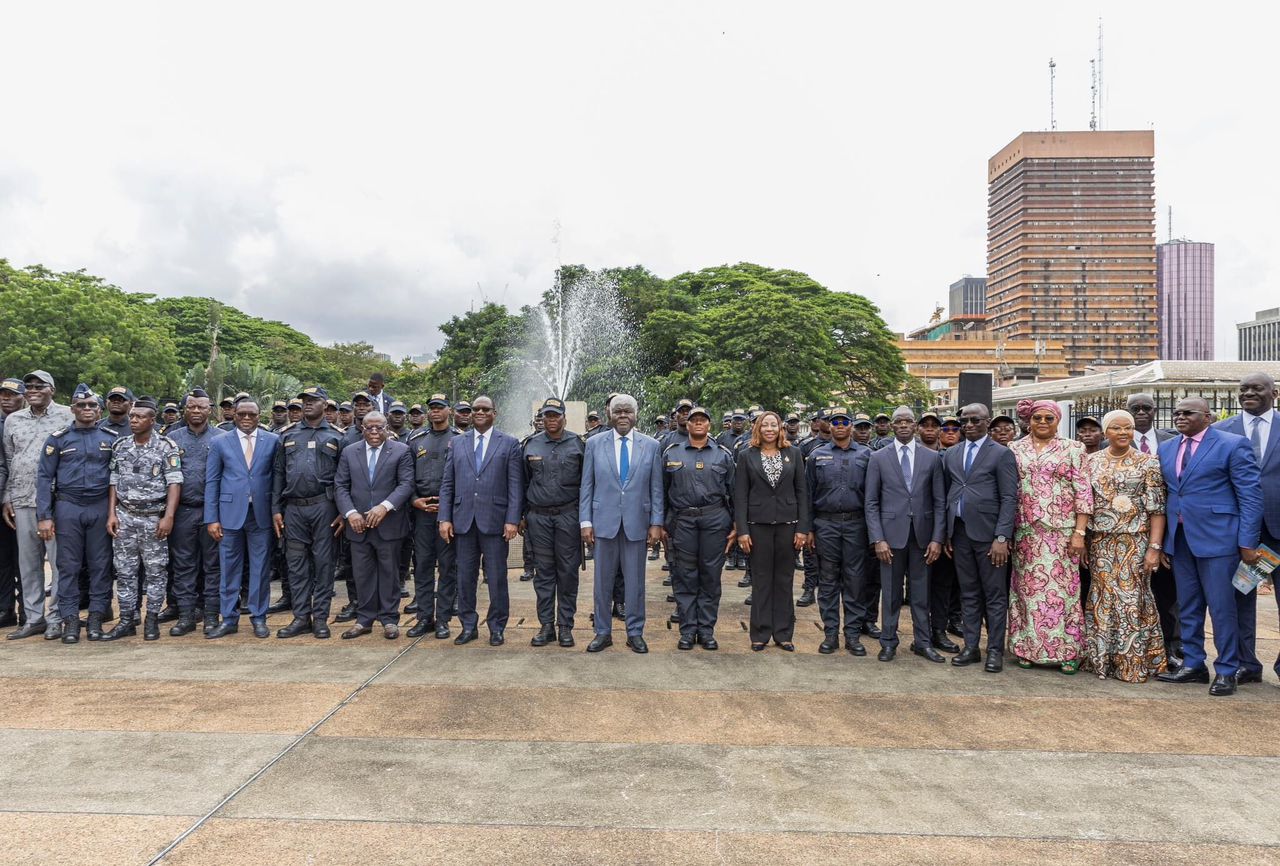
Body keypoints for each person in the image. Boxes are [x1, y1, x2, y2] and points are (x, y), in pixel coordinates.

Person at [1156, 397, 1263, 697]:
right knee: (1188, 607)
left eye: (1187, 413)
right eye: (1176, 413)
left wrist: (1247, 542)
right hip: (1180, 539)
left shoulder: (1232, 444)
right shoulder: (1167, 448)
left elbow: (1250, 497)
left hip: (1221, 539)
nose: (1180, 417)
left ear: (1208, 416)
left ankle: (1227, 670)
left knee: (1222, 608)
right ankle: (1194, 664)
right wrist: (1164, 541)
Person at [1007, 401, 1093, 673]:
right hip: (1026, 532)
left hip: (1061, 533)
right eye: (1037, 418)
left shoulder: (1073, 448)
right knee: (1027, 592)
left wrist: (1080, 532)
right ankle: (1027, 648)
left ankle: (1068, 651)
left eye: (1048, 418)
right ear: (1028, 421)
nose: (1042, 422)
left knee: (1063, 593)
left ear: (1057, 420)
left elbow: (1083, 492)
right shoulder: (1014, 448)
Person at [1083, 410, 1168, 682]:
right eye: (1116, 428)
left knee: (1131, 600)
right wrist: (1083, 539)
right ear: (1105, 432)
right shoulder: (1090, 462)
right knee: (1103, 598)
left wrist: (1154, 547)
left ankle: (1132, 663)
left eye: (1128, 428)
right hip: (1100, 542)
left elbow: (1157, 509)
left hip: (1135, 541)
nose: (1123, 433)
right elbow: (1084, 504)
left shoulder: (1148, 463)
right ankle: (1102, 660)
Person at [580, 393, 664, 654]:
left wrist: (656, 523)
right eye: (618, 412)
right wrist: (585, 521)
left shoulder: (651, 445)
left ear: (636, 414)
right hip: (603, 523)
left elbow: (656, 488)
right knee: (602, 583)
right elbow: (587, 485)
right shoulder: (594, 444)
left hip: (637, 524)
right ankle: (602, 632)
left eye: (628, 411)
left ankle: (635, 632)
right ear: (610, 415)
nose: (623, 416)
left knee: (635, 583)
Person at [439, 395, 523, 646]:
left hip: (496, 522)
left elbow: (515, 486)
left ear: (494, 413)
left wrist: (512, 520)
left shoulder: (509, 444)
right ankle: (468, 625)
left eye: (485, 409)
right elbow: (448, 483)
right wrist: (444, 518)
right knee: (465, 577)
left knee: (497, 577)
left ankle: (497, 627)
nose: (479, 412)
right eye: (475, 409)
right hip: (463, 521)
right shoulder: (457, 442)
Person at [35, 385, 116, 643]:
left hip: (100, 506)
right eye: (81, 405)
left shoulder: (111, 438)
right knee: (67, 566)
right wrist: (44, 516)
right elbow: (44, 478)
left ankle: (95, 620)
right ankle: (70, 621)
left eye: (92, 405)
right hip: (68, 507)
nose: (87, 409)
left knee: (100, 566)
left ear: (99, 409)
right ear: (72, 409)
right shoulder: (57, 439)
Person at [866, 406, 947, 662]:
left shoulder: (933, 458)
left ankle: (922, 642)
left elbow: (939, 501)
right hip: (890, 536)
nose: (903, 425)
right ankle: (888, 641)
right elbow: (871, 502)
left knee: (920, 594)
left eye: (908, 422)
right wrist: (877, 538)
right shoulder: (878, 457)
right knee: (890, 593)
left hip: (922, 536)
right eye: (898, 422)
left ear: (915, 427)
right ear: (891, 426)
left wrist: (937, 538)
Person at [1214, 372, 1279, 683]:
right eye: (1243, 389)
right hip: (1243, 535)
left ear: (1274, 393)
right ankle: (1246, 664)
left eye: (1257, 388)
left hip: (1279, 531)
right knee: (1241, 597)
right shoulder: (1220, 431)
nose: (1249, 393)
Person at [943, 403, 1018, 673]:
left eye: (975, 420)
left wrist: (1001, 536)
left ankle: (995, 650)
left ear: (987, 422)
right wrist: (947, 533)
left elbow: (1010, 498)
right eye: (964, 420)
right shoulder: (951, 453)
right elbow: (949, 492)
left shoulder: (1001, 454)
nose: (969, 424)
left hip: (989, 536)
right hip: (960, 533)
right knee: (969, 593)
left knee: (995, 595)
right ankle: (971, 647)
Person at [102, 398, 183, 641]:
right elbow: (114, 481)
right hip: (126, 517)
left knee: (156, 572)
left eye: (139, 417)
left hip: (153, 517)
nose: (133, 420)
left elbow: (174, 483)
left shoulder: (167, 446)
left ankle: (152, 620)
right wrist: (111, 513)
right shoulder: (121, 445)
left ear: (152, 420)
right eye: (132, 416)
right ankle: (127, 619)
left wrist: (168, 517)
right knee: (125, 571)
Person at [3, 370, 74, 640]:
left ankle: (56, 617)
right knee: (29, 563)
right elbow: (10, 461)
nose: (33, 390)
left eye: (39, 386)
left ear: (51, 390)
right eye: (29, 386)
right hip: (21, 499)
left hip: (56, 502)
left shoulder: (66, 415)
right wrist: (7, 497)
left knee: (58, 563)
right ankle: (34, 618)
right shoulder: (13, 420)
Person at [271, 387, 344, 639]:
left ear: (325, 404)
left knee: (324, 565)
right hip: (293, 508)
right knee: (296, 565)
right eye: (305, 401)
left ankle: (321, 618)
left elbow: (344, 479)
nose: (308, 405)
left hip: (325, 507)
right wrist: (275, 510)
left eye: (313, 401)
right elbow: (278, 474)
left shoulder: (337, 436)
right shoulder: (287, 435)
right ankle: (301, 616)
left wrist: (343, 512)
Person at [335, 411, 414, 639]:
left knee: (389, 574)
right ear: (362, 428)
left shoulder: (401, 451)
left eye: (379, 427)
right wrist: (350, 513)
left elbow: (406, 484)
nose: (374, 432)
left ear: (386, 427)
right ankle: (364, 619)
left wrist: (385, 507)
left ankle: (389, 620)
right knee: (362, 574)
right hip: (357, 526)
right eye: (369, 427)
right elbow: (340, 485)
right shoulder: (350, 452)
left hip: (388, 525)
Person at [204, 400, 280, 639]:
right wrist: (211, 518)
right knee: (229, 569)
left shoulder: (273, 441)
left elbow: (277, 478)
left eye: (252, 414)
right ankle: (228, 619)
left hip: (261, 514)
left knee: (260, 569)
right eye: (242, 413)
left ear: (260, 416)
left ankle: (259, 617)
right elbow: (212, 481)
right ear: (234, 416)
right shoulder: (219, 442)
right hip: (228, 515)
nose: (246, 417)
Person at [662, 406, 735, 650]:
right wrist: (661, 524)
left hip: (715, 520)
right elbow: (661, 491)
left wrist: (736, 524)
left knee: (710, 576)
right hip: (683, 521)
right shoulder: (672, 452)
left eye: (703, 420)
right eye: (694, 420)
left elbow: (734, 493)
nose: (698, 424)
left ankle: (706, 631)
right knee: (685, 576)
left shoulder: (723, 454)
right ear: (688, 425)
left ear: (709, 425)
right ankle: (687, 630)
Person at [735, 410, 809, 651]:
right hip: (758, 527)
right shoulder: (747, 456)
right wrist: (743, 530)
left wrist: (802, 528)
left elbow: (802, 492)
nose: (769, 429)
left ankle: (784, 633)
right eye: (764, 425)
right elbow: (740, 496)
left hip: (788, 526)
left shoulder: (794, 454)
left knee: (785, 580)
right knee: (762, 580)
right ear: (758, 428)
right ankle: (760, 633)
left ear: (780, 428)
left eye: (773, 425)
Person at [805, 407, 871, 655]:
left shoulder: (867, 455)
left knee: (855, 581)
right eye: (835, 422)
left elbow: (873, 496)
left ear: (851, 425)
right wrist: (808, 528)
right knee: (828, 581)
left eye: (844, 421)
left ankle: (852, 635)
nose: (840, 425)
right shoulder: (816, 455)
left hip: (856, 525)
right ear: (829, 426)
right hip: (825, 525)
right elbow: (808, 494)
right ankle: (830, 634)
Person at [522, 398, 586, 648]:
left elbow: (586, 484)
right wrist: (521, 515)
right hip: (538, 518)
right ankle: (546, 625)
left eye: (556, 415)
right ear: (542, 418)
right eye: (547, 415)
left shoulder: (578, 445)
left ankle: (565, 626)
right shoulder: (529, 445)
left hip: (568, 516)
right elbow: (522, 482)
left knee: (568, 572)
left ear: (564, 418)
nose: (551, 420)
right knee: (544, 573)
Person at [166, 389, 226, 635]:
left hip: (213, 512)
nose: (196, 411)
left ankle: (211, 615)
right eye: (192, 407)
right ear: (185, 409)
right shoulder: (173, 437)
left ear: (209, 410)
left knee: (213, 566)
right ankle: (186, 616)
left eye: (201, 407)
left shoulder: (223, 437)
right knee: (183, 565)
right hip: (183, 512)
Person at [1127, 392, 1180, 663]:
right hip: (1124, 533)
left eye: (1146, 407)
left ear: (1155, 410)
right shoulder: (1108, 444)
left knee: (1166, 592)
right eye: (1134, 408)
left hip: (1167, 527)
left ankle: (1168, 647)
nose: (1141, 412)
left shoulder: (1173, 443)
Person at [405, 395, 461, 640]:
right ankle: (424, 617)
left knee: (448, 568)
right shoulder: (416, 440)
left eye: (440, 407)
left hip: (448, 514)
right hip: (422, 513)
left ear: (449, 410)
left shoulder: (459, 440)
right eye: (432, 408)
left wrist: (450, 507)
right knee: (423, 566)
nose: (435, 411)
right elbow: (405, 476)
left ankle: (444, 619)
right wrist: (413, 500)